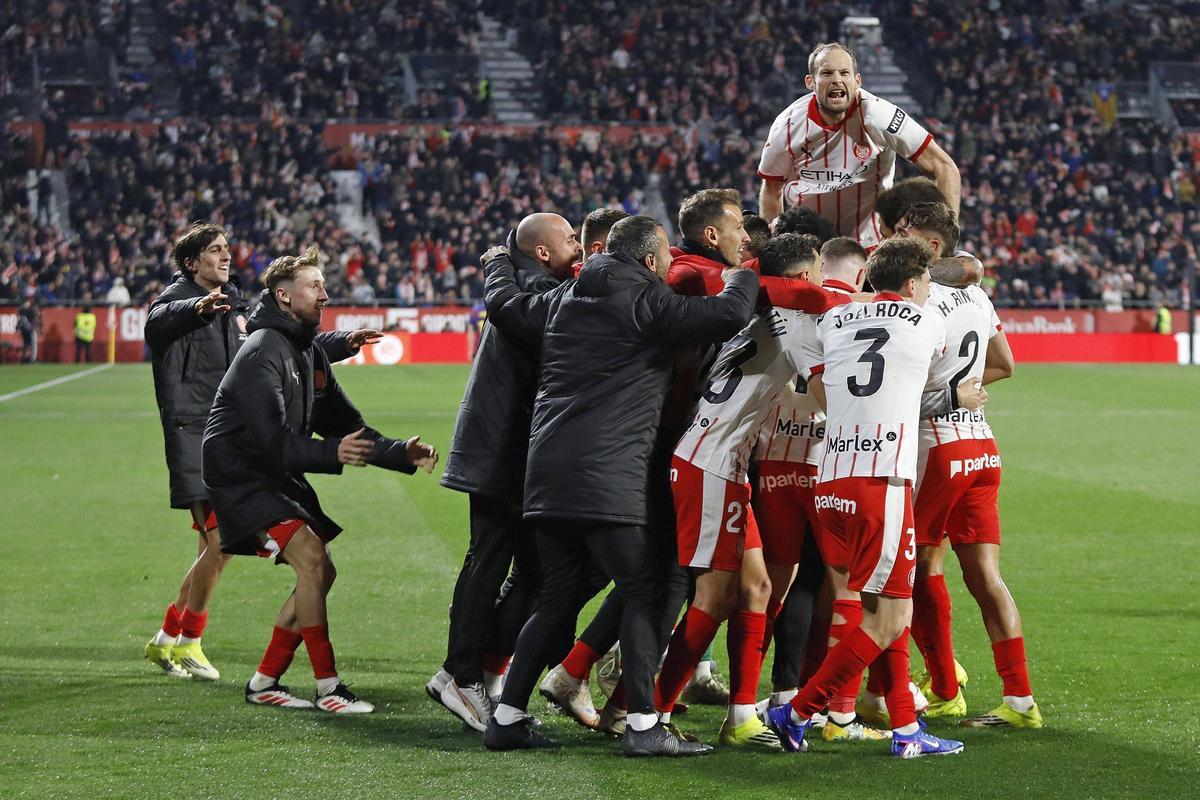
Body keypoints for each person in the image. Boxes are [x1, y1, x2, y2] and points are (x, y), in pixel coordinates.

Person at [481, 215, 759, 756]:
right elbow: (730, 312)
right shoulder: (647, 301)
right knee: (644, 592)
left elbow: (508, 307)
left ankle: (507, 718)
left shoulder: (563, 297)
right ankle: (642, 727)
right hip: (605, 475)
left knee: (557, 595)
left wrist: (497, 267)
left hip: (546, 474)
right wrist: (749, 269)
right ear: (652, 262)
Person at [202, 246, 437, 712]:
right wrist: (332, 452)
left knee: (321, 570)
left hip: (272, 471)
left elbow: (347, 426)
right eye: (315, 286)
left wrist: (399, 453)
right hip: (241, 474)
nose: (326, 294)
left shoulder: (307, 352)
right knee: (311, 560)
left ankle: (265, 681)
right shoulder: (262, 352)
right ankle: (329, 687)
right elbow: (273, 441)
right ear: (284, 296)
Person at [143, 223, 374, 682]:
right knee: (218, 544)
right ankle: (189, 640)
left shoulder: (237, 303)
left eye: (227, 248)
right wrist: (197, 306)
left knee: (217, 546)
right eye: (214, 251)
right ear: (192, 264)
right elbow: (158, 323)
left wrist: (338, 345)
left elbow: (277, 344)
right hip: (196, 437)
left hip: (231, 440)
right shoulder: (176, 301)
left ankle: (169, 636)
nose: (226, 256)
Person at [765, 238, 965, 758]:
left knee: (878, 608)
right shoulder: (928, 321)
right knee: (889, 618)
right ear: (916, 285)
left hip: (830, 481)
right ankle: (797, 711)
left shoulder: (834, 322)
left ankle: (906, 731)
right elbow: (948, 308)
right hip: (883, 482)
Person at [656, 233, 839, 751]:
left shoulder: (753, 312)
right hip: (712, 463)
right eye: (819, 270)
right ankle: (654, 710)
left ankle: (739, 714)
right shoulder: (797, 321)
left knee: (756, 588)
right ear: (802, 278)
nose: (824, 278)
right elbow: (825, 394)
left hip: (717, 460)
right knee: (714, 597)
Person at [891, 203, 1042, 730]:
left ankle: (944, 688)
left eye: (907, 231)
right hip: (982, 448)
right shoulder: (977, 295)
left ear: (932, 246)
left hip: (938, 448)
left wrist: (946, 396)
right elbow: (1004, 363)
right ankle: (1020, 700)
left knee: (916, 571)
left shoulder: (921, 298)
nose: (897, 234)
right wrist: (968, 392)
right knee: (986, 577)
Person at [431, 213, 581, 732]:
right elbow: (519, 320)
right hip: (504, 451)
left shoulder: (528, 280)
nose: (577, 245)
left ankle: (482, 673)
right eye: (568, 239)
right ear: (541, 251)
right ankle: (461, 673)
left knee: (528, 571)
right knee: (492, 561)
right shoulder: (536, 288)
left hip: (507, 448)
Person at [757, 42, 960, 247]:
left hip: (870, 244)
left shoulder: (879, 115)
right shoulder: (788, 126)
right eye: (827, 73)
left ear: (857, 81)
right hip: (807, 247)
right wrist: (773, 248)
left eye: (844, 73)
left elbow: (944, 167)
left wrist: (947, 242)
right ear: (811, 82)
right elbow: (772, 190)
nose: (837, 80)